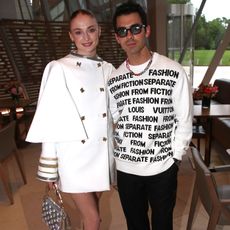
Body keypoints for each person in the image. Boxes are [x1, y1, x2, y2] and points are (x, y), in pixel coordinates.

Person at [26, 9, 115, 230]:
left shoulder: (109, 69)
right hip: (73, 158)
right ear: (70, 36)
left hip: (101, 156)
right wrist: (49, 168)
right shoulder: (59, 68)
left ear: (99, 31)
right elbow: (50, 120)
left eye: (91, 30)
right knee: (94, 219)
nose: (86, 38)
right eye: (79, 32)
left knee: (89, 218)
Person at [108, 2, 193, 230]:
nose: (130, 36)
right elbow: (115, 121)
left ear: (146, 30)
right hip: (126, 169)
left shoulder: (173, 71)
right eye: (122, 31)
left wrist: (175, 158)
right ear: (116, 37)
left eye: (135, 29)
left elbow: (184, 120)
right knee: (135, 225)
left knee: (163, 224)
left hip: (163, 167)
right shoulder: (114, 79)